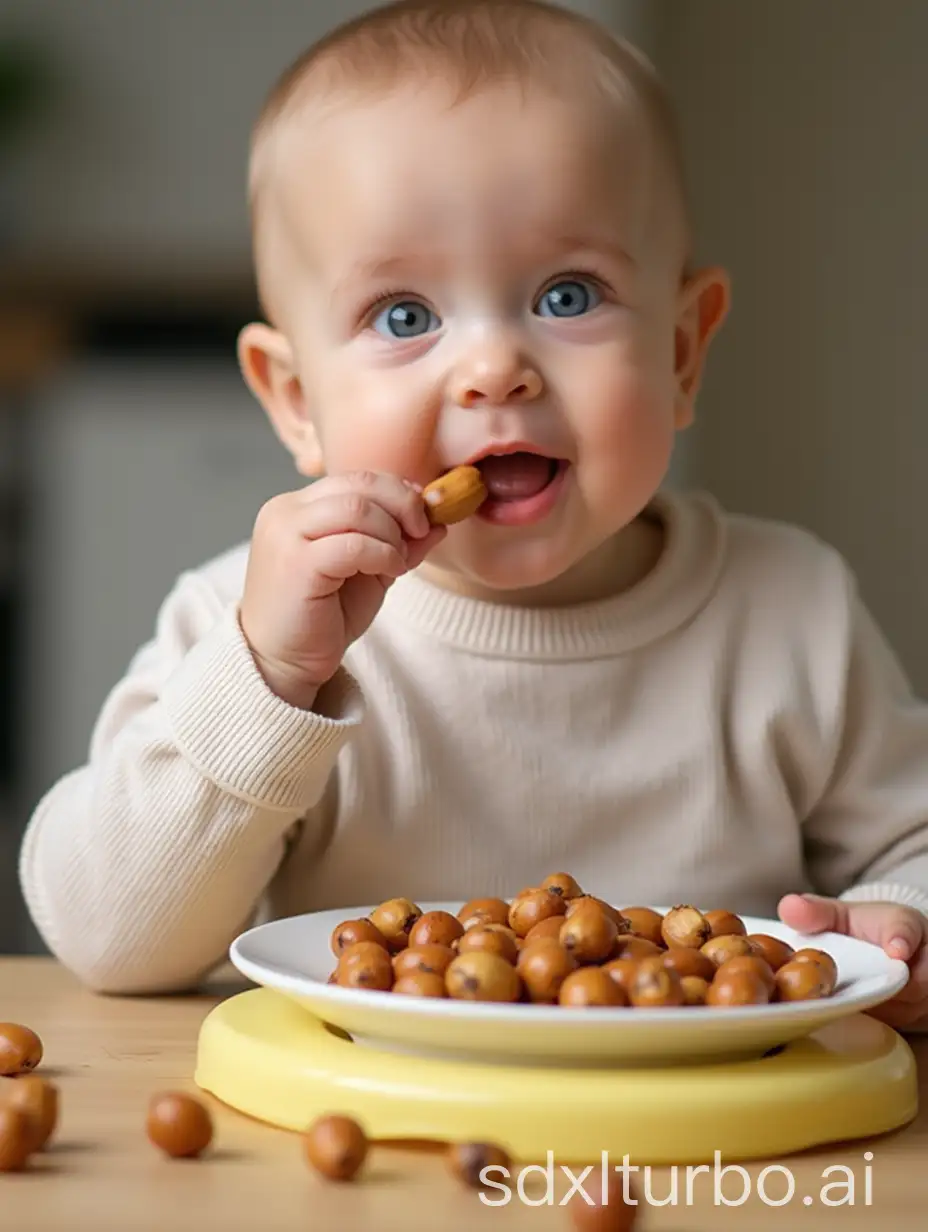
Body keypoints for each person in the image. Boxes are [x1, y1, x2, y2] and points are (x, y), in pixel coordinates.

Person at [17, 0, 928, 1026]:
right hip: (355, 1145)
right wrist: (269, 677)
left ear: (680, 353)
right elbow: (105, 937)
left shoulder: (788, 610)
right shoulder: (247, 627)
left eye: (568, 295)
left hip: (698, 1154)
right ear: (296, 400)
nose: (494, 366)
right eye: (404, 316)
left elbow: (914, 843)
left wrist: (896, 917)